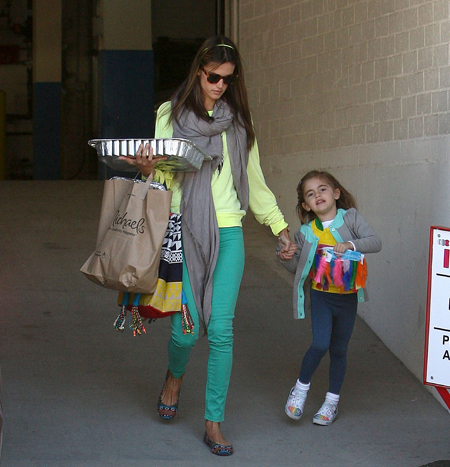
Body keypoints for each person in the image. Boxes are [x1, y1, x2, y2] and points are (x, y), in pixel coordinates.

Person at [119, 35, 294, 456]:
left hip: (228, 232)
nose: (219, 85)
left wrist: (279, 227)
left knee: (220, 331)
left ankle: (214, 422)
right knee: (185, 332)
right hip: (183, 230)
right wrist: (148, 169)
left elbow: (254, 181)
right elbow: (161, 180)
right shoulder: (170, 115)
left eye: (227, 80)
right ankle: (174, 377)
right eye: (213, 77)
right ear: (198, 71)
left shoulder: (239, 125)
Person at [277, 170, 381, 426]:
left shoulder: (351, 219)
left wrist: (350, 245)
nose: (318, 196)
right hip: (322, 296)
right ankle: (300, 390)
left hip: (347, 298)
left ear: (335, 193)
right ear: (306, 205)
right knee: (321, 344)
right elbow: (298, 269)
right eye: (310, 194)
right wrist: (285, 257)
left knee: (339, 349)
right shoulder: (305, 232)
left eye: (323, 189)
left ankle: (331, 402)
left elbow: (375, 242)